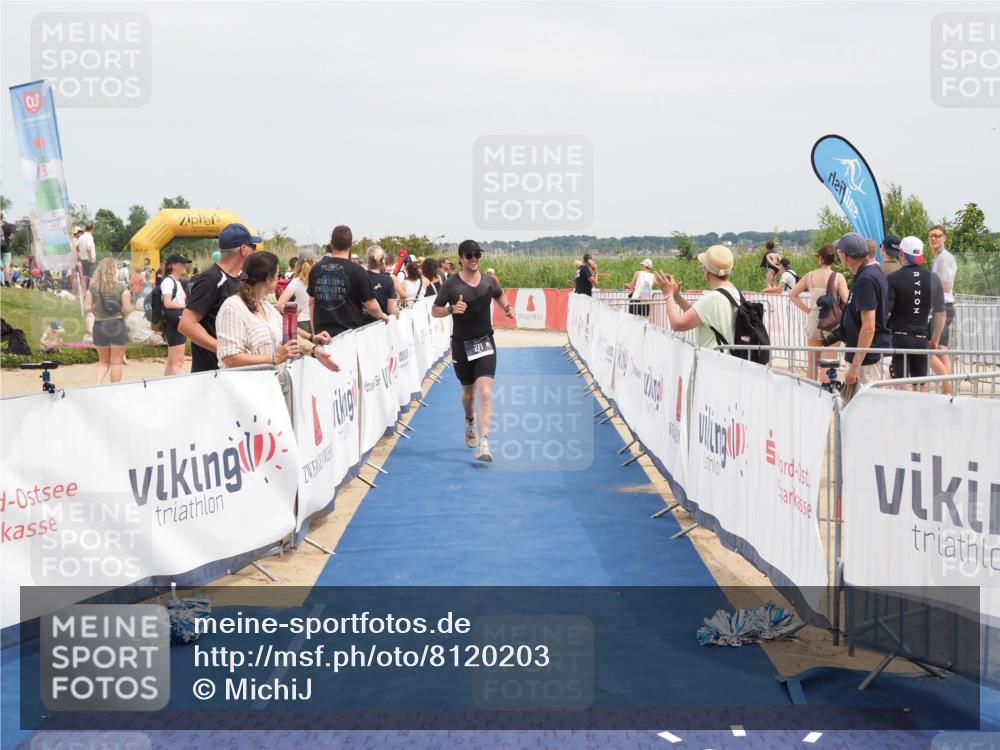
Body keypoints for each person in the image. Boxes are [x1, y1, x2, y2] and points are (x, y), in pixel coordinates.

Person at [432, 239, 514, 462]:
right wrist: (451, 309)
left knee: (485, 392)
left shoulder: (489, 280)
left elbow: (499, 293)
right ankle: (470, 422)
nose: (474, 259)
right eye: (469, 255)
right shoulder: (451, 285)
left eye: (477, 254)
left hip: (485, 341)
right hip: (461, 345)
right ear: (461, 258)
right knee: (469, 395)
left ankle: (485, 443)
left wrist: (506, 308)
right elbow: (434, 310)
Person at [216, 251, 339, 372]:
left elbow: (291, 338)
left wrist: (314, 350)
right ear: (268, 279)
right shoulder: (232, 308)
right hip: (246, 389)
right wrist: (274, 358)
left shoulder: (267, 307)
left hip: (271, 387)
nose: (279, 279)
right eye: (278, 275)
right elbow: (229, 358)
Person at [180, 222, 257, 373]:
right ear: (243, 249)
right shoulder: (212, 279)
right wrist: (224, 350)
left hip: (234, 369)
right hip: (212, 372)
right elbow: (186, 324)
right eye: (252, 247)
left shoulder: (242, 278)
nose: (254, 251)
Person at [886, 237, 946, 390]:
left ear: (901, 253)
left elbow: (886, 313)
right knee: (921, 384)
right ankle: (920, 413)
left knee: (899, 385)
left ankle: (902, 413)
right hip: (921, 337)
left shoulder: (892, 279)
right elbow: (940, 314)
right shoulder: (933, 278)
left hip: (899, 338)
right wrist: (935, 340)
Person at [307, 225, 388, 338]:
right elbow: (371, 305)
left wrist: (314, 333)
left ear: (331, 243)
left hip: (323, 336)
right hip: (349, 337)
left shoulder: (316, 268)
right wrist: (382, 315)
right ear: (351, 244)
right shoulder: (358, 270)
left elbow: (311, 303)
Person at [655, 244, 739, 349]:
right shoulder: (734, 292)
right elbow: (699, 313)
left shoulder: (713, 298)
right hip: (730, 360)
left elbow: (677, 324)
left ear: (707, 271)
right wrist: (677, 297)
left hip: (712, 360)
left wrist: (668, 294)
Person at [836, 233, 891, 387]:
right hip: (870, 354)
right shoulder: (873, 272)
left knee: (867, 406)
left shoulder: (866, 279)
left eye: (839, 254)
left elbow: (868, 327)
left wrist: (854, 367)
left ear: (845, 256)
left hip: (868, 359)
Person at [788, 244, 849, 381]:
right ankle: (826, 393)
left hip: (814, 319)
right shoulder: (838, 277)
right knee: (828, 363)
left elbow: (792, 295)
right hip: (832, 321)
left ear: (820, 259)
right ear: (833, 260)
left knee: (812, 363)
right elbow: (846, 300)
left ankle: (811, 393)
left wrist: (808, 309)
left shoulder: (809, 276)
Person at [85, 258, 132, 383]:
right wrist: (121, 309)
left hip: (99, 325)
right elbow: (127, 308)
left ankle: (98, 383)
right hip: (117, 324)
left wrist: (97, 307)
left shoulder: (93, 288)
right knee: (116, 362)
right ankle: (114, 389)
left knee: (103, 362)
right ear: (113, 270)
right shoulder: (121, 287)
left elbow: (87, 307)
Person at [928, 224, 957, 393]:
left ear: (944, 237)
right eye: (931, 235)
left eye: (938, 235)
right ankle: (948, 391)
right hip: (944, 306)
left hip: (942, 307)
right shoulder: (940, 257)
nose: (934, 238)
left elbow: (946, 285)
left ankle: (948, 387)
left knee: (929, 351)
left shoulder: (943, 258)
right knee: (941, 351)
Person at [161, 253, 190, 376]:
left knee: (173, 361)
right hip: (174, 322)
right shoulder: (169, 281)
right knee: (177, 361)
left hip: (175, 321)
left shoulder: (176, 282)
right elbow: (167, 303)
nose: (184, 266)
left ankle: (166, 388)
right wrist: (186, 307)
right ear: (173, 265)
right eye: (181, 263)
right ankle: (173, 388)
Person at [276, 259, 314, 334]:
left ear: (297, 267)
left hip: (300, 323)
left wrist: (292, 313)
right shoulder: (319, 281)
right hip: (317, 322)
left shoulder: (296, 282)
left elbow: (279, 304)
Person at [364, 245, 399, 320]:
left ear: (367, 259)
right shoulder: (388, 280)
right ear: (383, 260)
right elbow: (391, 310)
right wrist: (397, 310)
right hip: (381, 324)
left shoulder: (360, 276)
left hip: (361, 324)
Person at [77, 224, 97, 291]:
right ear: (92, 229)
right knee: (91, 278)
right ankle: (90, 295)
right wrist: (90, 258)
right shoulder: (89, 237)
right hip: (89, 260)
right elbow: (88, 248)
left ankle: (84, 294)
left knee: (84, 278)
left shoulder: (81, 237)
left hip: (83, 259)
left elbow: (76, 247)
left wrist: (79, 255)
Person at [1, 213, 15, 287]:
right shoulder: (7, 226)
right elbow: (11, 237)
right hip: (6, 248)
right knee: (6, 266)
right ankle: (6, 282)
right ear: (2, 217)